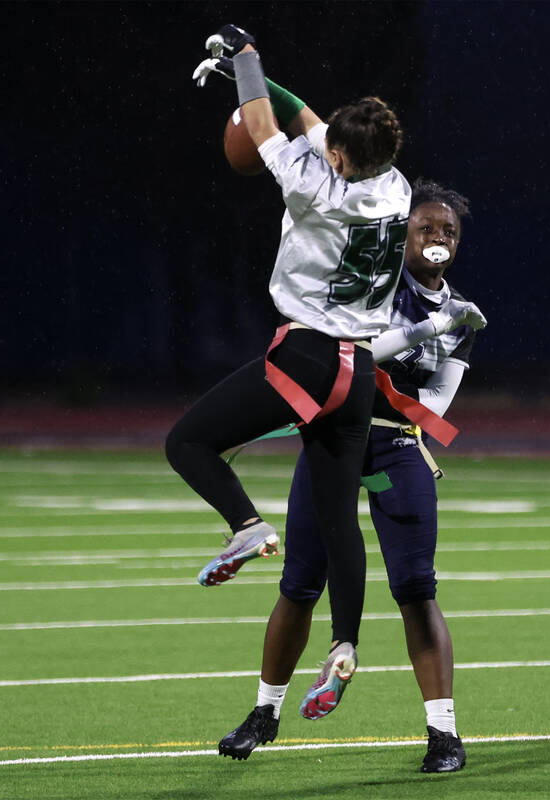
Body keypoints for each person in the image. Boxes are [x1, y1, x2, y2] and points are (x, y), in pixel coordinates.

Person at [166, 24, 412, 684]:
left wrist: (244, 57)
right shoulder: (398, 190)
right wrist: (246, 67)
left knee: (187, 443)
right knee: (340, 522)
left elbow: (262, 121)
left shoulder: (313, 186)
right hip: (359, 371)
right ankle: (345, 646)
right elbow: (308, 119)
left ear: (338, 156)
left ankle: (246, 525)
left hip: (307, 358)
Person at [217, 180, 484, 774]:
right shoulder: (376, 281)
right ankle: (265, 712)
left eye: (449, 232)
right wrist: (426, 331)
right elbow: (361, 353)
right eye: (427, 228)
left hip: (394, 449)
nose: (438, 238)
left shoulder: (461, 312)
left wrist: (441, 334)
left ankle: (444, 734)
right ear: (405, 231)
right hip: (336, 439)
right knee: (299, 582)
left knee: (416, 587)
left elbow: (438, 400)